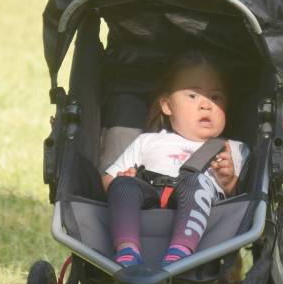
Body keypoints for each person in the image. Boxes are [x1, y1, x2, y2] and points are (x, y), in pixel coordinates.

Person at [103, 51, 248, 268]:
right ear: (167, 105)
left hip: (200, 207)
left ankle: (180, 251)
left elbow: (242, 201)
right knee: (122, 184)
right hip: (148, 202)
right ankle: (127, 250)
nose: (206, 105)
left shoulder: (232, 149)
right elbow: (108, 178)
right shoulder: (147, 141)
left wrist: (228, 182)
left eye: (215, 97)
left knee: (195, 183)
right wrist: (123, 179)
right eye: (193, 96)